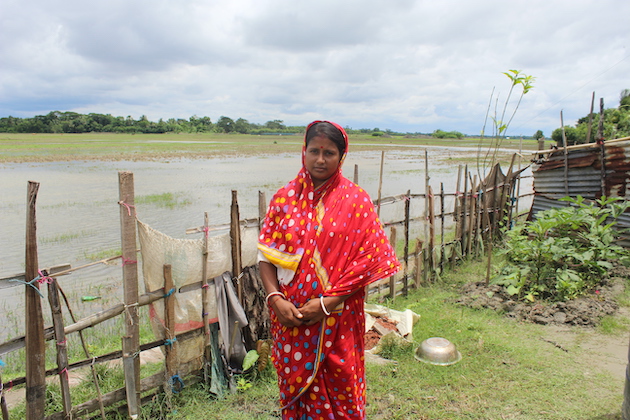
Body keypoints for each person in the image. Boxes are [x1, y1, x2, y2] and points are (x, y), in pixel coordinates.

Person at [257, 120, 400, 419]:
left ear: (342, 156)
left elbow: (370, 257)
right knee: (296, 392)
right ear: (304, 152)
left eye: (329, 153)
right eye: (314, 151)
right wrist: (275, 299)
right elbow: (266, 257)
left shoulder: (356, 200)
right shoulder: (284, 199)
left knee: (340, 386)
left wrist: (327, 303)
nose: (320, 160)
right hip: (290, 319)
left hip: (339, 318)